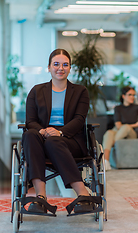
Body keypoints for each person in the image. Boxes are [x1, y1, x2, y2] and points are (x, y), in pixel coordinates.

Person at [22, 49, 93, 214]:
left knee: (54, 141)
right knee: (29, 134)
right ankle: (40, 197)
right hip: (41, 137)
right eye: (56, 64)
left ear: (70, 68)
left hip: (70, 140)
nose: (60, 68)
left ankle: (82, 194)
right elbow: (30, 121)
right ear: (49, 67)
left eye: (65, 64)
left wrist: (59, 132)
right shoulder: (36, 91)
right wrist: (43, 131)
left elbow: (79, 119)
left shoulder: (81, 91)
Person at [103, 86, 138, 170]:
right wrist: (136, 124)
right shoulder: (118, 108)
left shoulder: (137, 107)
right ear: (123, 96)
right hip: (118, 130)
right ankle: (106, 162)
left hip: (131, 133)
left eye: (134, 95)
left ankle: (112, 143)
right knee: (109, 133)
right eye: (130, 95)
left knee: (126, 127)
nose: (132, 97)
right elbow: (118, 126)